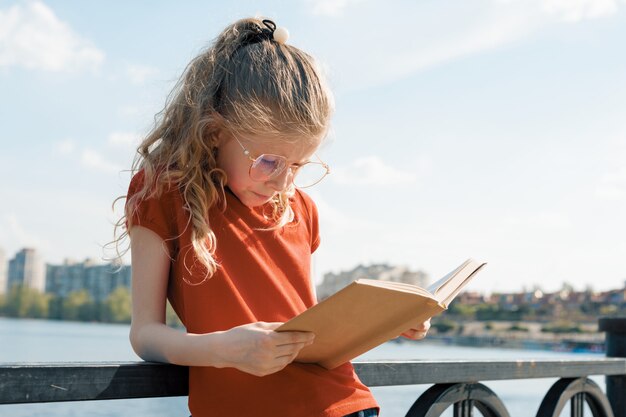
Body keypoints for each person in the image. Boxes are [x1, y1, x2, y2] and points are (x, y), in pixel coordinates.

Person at [114, 17, 430, 417]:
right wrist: (223, 349)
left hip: (346, 405)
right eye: (269, 162)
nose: (283, 182)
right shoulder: (162, 191)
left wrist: (382, 322)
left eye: (298, 165)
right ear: (214, 132)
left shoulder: (300, 208)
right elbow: (145, 336)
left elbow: (307, 331)